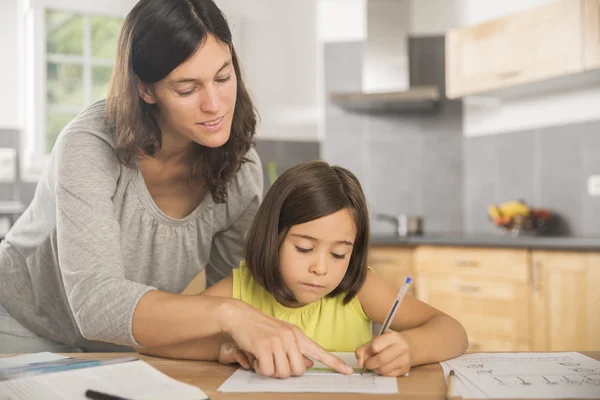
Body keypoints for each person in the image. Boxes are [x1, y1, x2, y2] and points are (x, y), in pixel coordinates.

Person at [0, 0, 352, 375]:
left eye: (223, 76)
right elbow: (96, 305)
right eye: (187, 89)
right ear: (146, 90)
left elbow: (233, 287)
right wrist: (229, 315)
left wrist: (229, 336)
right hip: (25, 326)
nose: (214, 105)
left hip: (136, 342)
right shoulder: (87, 147)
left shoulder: (240, 168)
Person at [181, 160, 468, 378]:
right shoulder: (239, 290)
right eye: (304, 248)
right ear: (273, 237)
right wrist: (219, 347)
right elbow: (155, 338)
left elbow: (453, 331)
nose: (321, 268)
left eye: (339, 253)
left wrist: (410, 347)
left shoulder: (360, 289)